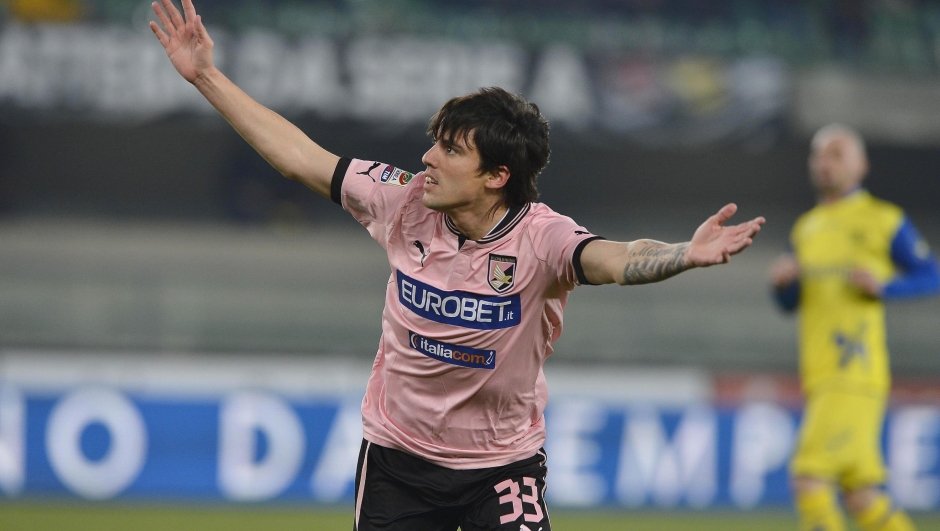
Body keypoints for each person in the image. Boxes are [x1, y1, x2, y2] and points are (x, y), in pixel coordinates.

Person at [150, 1, 765, 529]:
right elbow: (300, 158)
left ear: (498, 176)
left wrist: (684, 254)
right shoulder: (403, 199)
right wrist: (205, 76)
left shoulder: (541, 238)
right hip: (397, 460)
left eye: (449, 150)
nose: (426, 159)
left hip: (499, 468)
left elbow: (613, 258)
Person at [769, 124, 940, 531]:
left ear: (861, 165)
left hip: (853, 372)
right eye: (819, 155)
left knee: (808, 478)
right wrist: (783, 286)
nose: (825, 163)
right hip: (820, 374)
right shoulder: (806, 228)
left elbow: (931, 274)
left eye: (837, 154)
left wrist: (885, 288)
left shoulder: (883, 220)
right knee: (862, 495)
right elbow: (791, 305)